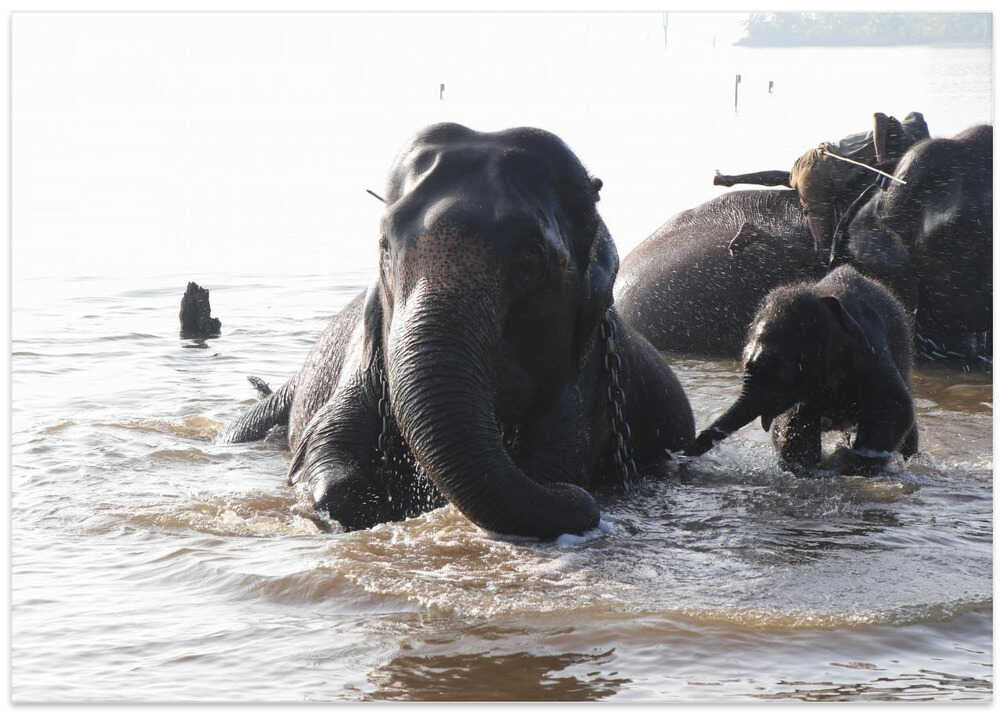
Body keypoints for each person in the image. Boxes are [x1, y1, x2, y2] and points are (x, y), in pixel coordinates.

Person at [714, 112, 930, 253]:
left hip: (810, 159)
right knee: (822, 253)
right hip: (821, 177)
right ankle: (757, 235)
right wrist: (881, 157)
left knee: (788, 178)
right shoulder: (896, 132)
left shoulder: (896, 148)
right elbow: (878, 116)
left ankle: (731, 179)